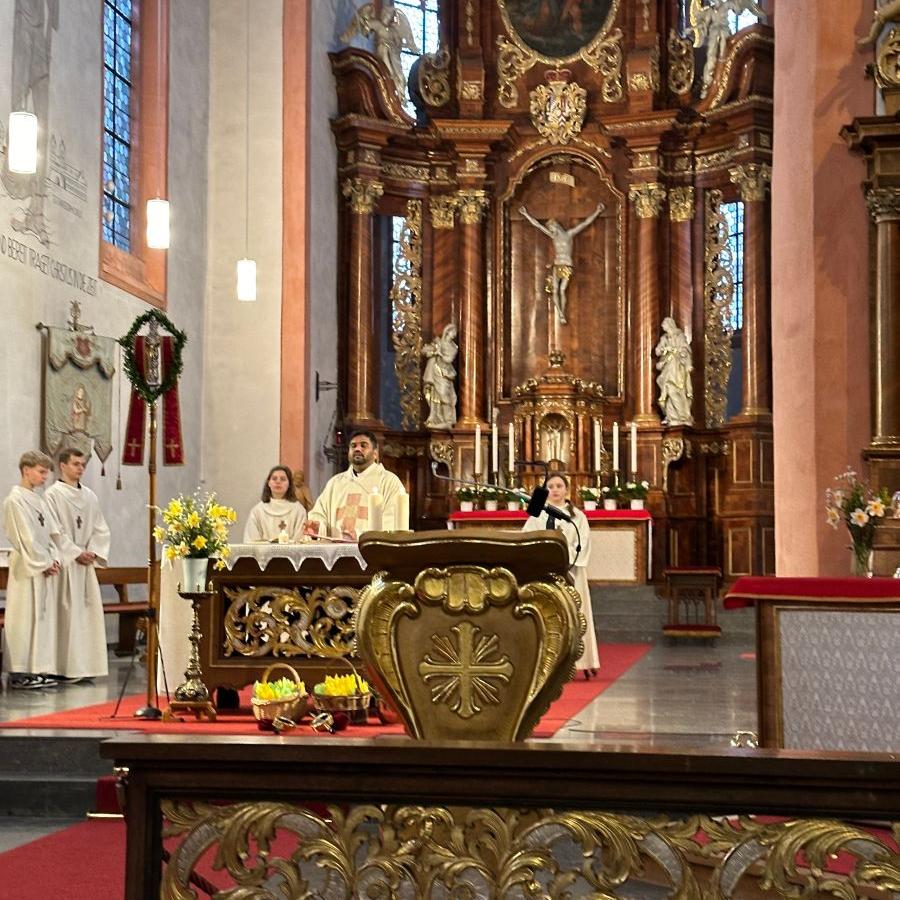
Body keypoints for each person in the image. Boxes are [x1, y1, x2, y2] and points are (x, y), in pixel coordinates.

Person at [2, 449, 78, 689]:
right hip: (26, 567)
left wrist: (55, 558)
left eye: (47, 473)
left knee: (41, 619)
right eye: (41, 472)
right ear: (26, 470)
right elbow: (25, 537)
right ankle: (19, 672)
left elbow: (52, 533)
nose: (45, 477)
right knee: (24, 618)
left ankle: (37, 668)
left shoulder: (39, 499)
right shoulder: (15, 500)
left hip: (43, 566)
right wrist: (44, 562)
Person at [522, 472, 599, 677]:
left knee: (576, 614)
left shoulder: (577, 516)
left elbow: (583, 544)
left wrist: (564, 556)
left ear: (567, 490)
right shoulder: (537, 513)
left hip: (571, 571)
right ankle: (546, 663)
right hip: (544, 571)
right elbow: (527, 538)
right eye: (551, 486)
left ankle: (583, 661)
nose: (555, 490)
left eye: (559, 486)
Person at [44, 448, 110, 682]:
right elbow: (53, 531)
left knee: (86, 617)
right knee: (67, 616)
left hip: (85, 565)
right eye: (75, 464)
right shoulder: (52, 495)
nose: (80, 468)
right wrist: (75, 552)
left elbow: (100, 528)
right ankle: (65, 668)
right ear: (62, 465)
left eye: (83, 464)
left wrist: (92, 551)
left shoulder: (90, 496)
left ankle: (86, 668)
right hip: (67, 565)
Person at [306, 430, 404, 539]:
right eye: (353, 446)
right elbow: (320, 513)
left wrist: (360, 536)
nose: (357, 449)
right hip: (336, 551)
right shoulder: (335, 483)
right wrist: (318, 526)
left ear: (375, 453)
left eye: (363, 446)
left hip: (370, 551)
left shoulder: (389, 481)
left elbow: (391, 520)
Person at [519, 203, 604, 324]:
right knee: (555, 290)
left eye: (552, 228)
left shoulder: (569, 235)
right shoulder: (553, 237)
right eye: (550, 230)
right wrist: (526, 214)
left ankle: (562, 312)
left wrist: (597, 211)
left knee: (562, 290)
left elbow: (585, 224)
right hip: (557, 264)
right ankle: (560, 313)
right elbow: (538, 225)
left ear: (556, 226)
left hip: (567, 264)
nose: (551, 231)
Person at [243, 465, 307, 542]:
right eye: (274, 479)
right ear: (269, 483)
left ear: (289, 484)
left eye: (283, 479)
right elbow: (251, 540)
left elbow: (300, 541)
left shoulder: (298, 510)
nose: (278, 481)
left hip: (290, 553)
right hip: (263, 553)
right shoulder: (257, 511)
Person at [654, 316, 694, 426]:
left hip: (677, 367)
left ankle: (682, 415)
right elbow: (657, 351)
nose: (663, 327)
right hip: (668, 366)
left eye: (664, 325)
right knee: (666, 386)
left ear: (669, 325)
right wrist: (664, 350)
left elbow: (685, 349)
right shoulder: (664, 338)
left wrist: (686, 361)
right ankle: (671, 415)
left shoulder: (680, 336)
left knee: (676, 390)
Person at [422, 323, 458, 429]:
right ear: (448, 332)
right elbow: (425, 351)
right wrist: (433, 351)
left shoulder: (454, 347)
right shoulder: (439, 342)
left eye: (455, 333)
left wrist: (439, 353)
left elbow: (449, 359)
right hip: (436, 372)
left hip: (446, 373)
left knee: (445, 395)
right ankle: (436, 417)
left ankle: (448, 419)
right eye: (453, 332)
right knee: (435, 395)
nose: (454, 335)